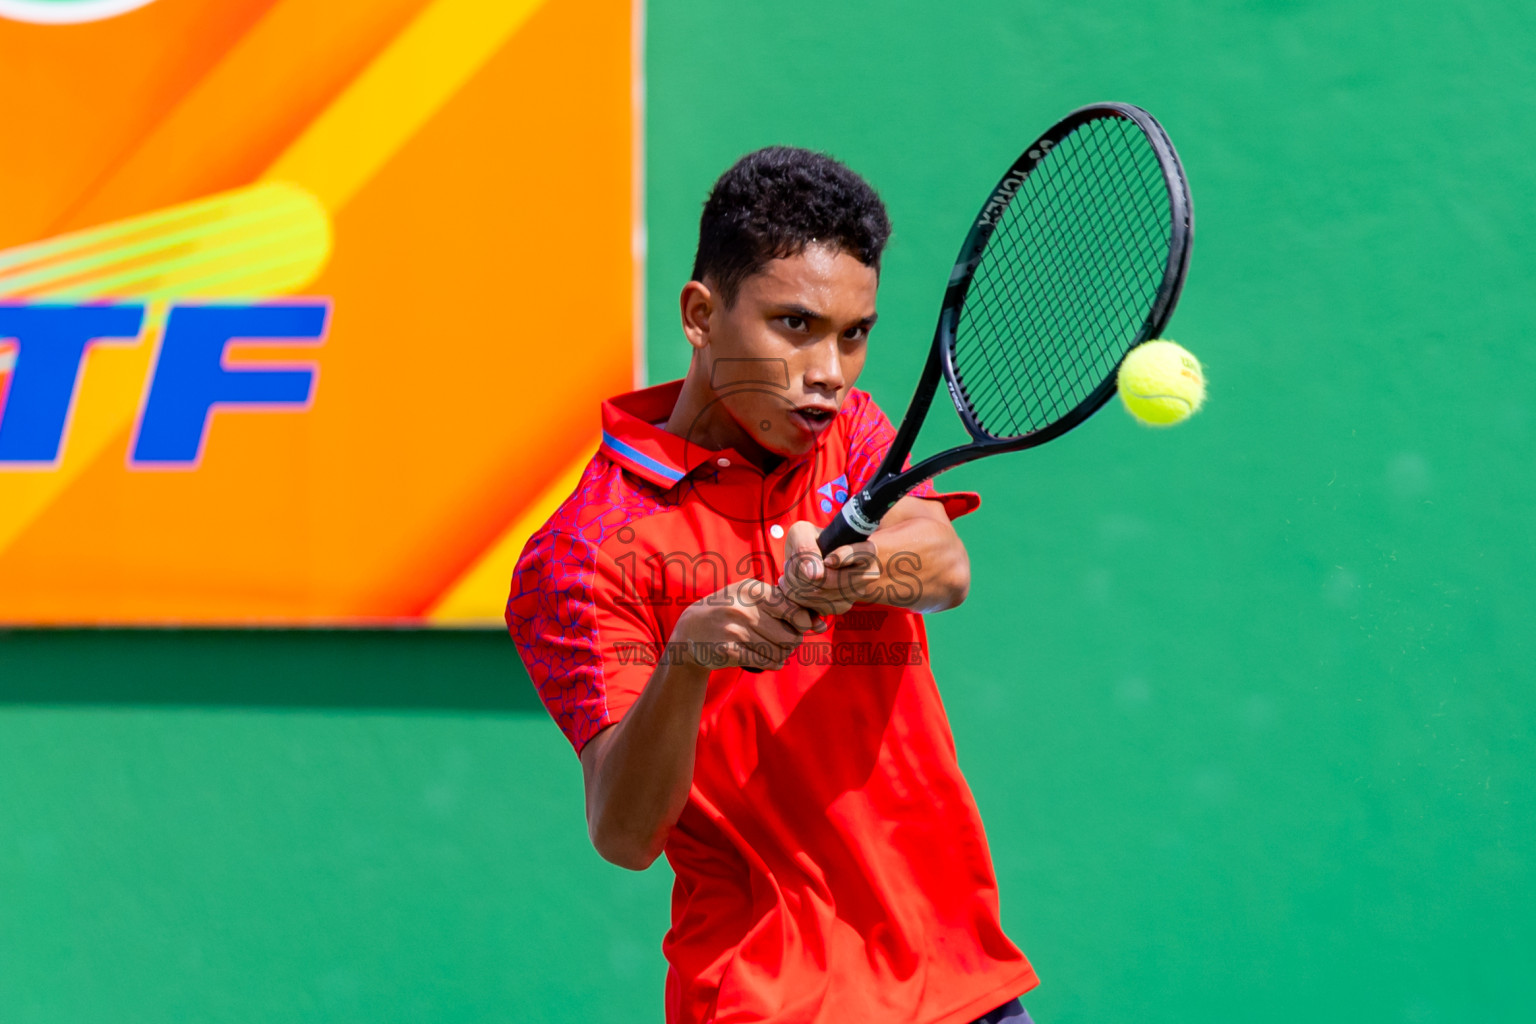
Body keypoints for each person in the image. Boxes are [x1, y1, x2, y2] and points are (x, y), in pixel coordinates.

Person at [508, 147, 1038, 1023]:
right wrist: (687, 659)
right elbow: (625, 834)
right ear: (701, 315)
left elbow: (945, 567)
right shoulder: (580, 553)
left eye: (854, 334)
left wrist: (853, 573)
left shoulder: (850, 430)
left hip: (960, 982)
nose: (829, 371)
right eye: (795, 325)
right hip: (769, 997)